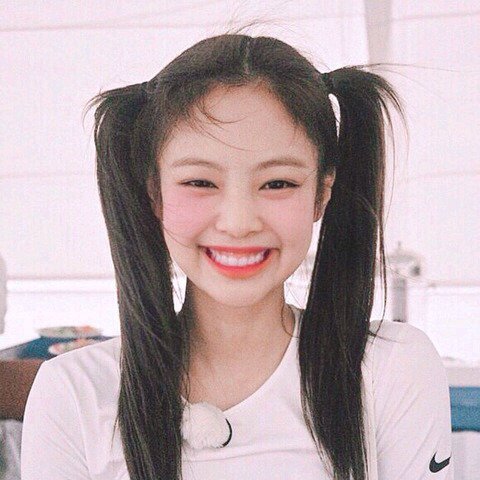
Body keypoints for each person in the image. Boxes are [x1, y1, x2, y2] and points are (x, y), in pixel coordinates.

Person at [21, 31, 453, 480]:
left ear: (322, 194)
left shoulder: (392, 369)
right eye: (200, 182)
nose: (239, 222)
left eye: (278, 183)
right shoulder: (73, 393)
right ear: (155, 194)